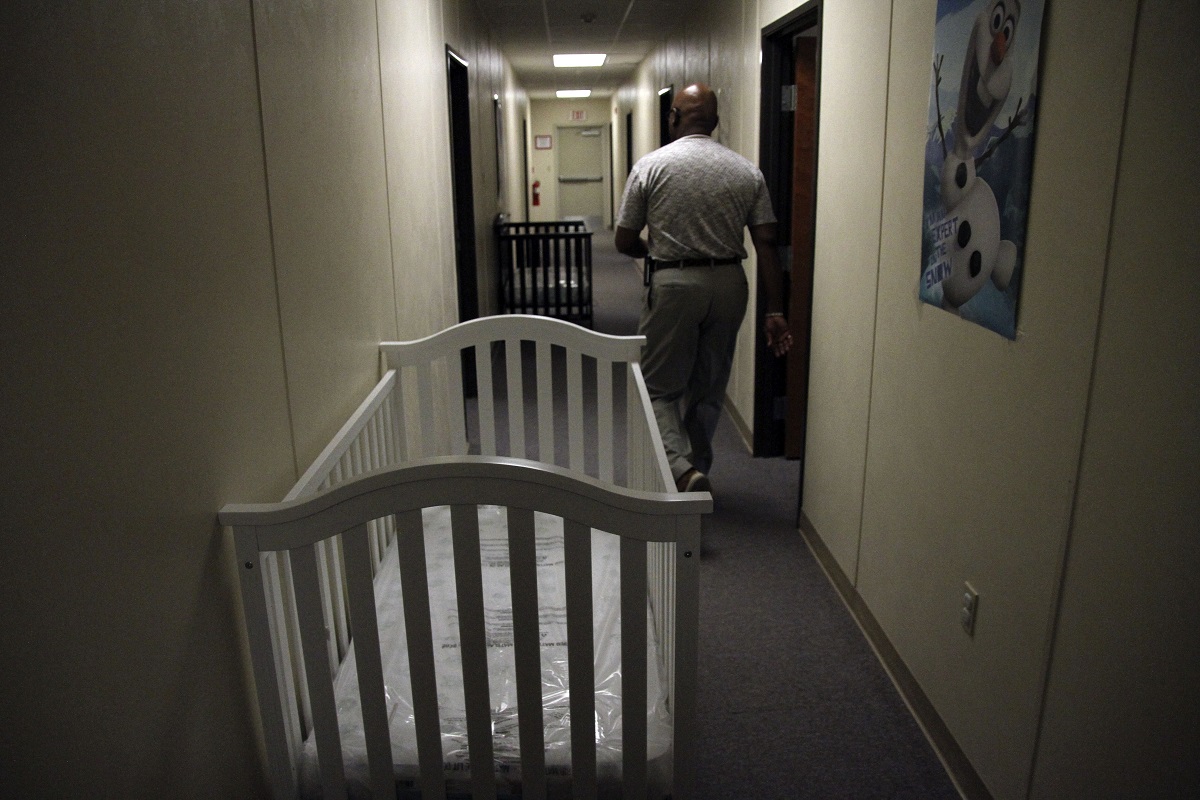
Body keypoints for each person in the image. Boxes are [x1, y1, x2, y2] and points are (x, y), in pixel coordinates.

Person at [615, 82, 792, 494]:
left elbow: (624, 241)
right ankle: (696, 467)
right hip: (730, 284)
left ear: (673, 117)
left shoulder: (651, 167)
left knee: (658, 387)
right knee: (709, 387)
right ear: (715, 122)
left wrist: (655, 250)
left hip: (674, 283)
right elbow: (767, 242)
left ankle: (678, 469)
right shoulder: (746, 171)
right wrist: (775, 311)